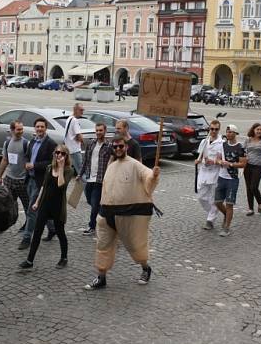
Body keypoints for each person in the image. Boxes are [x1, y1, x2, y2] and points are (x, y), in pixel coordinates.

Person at [85, 134, 160, 290]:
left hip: (129, 214)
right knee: (103, 245)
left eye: (121, 146)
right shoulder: (111, 166)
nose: (118, 149)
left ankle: (146, 268)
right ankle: (101, 276)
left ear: (126, 147)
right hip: (106, 213)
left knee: (135, 245)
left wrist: (154, 175)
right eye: (115, 147)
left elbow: (147, 177)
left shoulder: (134, 164)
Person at [19, 144, 75, 269]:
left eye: (62, 153)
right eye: (57, 152)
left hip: (58, 206)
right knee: (37, 231)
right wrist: (37, 202)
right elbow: (44, 186)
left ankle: (64, 257)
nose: (59, 155)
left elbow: (61, 185)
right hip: (45, 204)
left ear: (66, 156)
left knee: (60, 232)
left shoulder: (69, 170)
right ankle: (30, 260)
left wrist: (60, 168)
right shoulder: (49, 168)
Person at [21, 117, 58, 249]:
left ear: (45, 128)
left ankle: (27, 238)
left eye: (42, 127)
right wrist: (26, 163)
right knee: (41, 208)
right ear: (34, 128)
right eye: (37, 127)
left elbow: (51, 162)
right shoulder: (32, 141)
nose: (40, 129)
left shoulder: (51, 144)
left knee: (32, 209)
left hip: (41, 182)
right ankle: (52, 228)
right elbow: (27, 155)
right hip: (30, 179)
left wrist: (34, 165)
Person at [212, 124, 247, 237]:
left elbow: (243, 164)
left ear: (235, 134)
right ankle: (227, 216)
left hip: (232, 178)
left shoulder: (240, 147)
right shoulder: (222, 145)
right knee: (217, 202)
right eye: (227, 132)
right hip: (221, 177)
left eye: (231, 132)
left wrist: (230, 164)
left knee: (229, 204)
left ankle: (226, 227)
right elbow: (217, 159)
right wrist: (220, 162)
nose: (228, 134)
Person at [0, 120, 31, 224]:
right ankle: (5, 223)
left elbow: (30, 162)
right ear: (12, 130)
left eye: (22, 129)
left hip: (22, 181)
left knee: (27, 204)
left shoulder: (26, 144)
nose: (21, 131)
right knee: (7, 203)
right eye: (18, 129)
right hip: (9, 179)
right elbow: (5, 160)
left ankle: (28, 224)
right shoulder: (7, 143)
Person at [81, 123, 112, 235]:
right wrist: (80, 174)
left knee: (94, 204)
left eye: (101, 130)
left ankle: (92, 226)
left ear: (105, 131)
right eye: (97, 130)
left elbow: (113, 162)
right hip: (89, 178)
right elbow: (85, 160)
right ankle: (106, 219)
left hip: (100, 180)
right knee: (90, 200)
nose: (98, 132)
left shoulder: (109, 146)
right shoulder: (91, 144)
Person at [196, 119, 223, 230]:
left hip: (214, 172)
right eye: (212, 129)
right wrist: (198, 160)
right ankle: (212, 212)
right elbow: (200, 156)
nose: (214, 131)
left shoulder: (222, 143)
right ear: (209, 129)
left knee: (213, 198)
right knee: (201, 197)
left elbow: (221, 160)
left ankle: (210, 220)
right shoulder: (204, 141)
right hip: (203, 171)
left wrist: (214, 162)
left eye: (216, 129)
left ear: (219, 130)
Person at [243, 123, 261, 216]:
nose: (259, 131)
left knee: (254, 186)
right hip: (247, 166)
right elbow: (243, 151)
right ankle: (250, 208)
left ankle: (260, 202)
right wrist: (244, 156)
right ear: (253, 130)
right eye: (257, 129)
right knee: (248, 188)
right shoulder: (247, 140)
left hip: (257, 167)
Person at [64, 103, 85, 175]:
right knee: (81, 172)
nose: (82, 112)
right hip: (75, 150)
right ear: (75, 110)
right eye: (81, 110)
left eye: (83, 110)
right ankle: (85, 186)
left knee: (76, 170)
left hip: (69, 149)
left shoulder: (69, 119)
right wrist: (82, 140)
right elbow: (79, 136)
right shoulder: (75, 120)